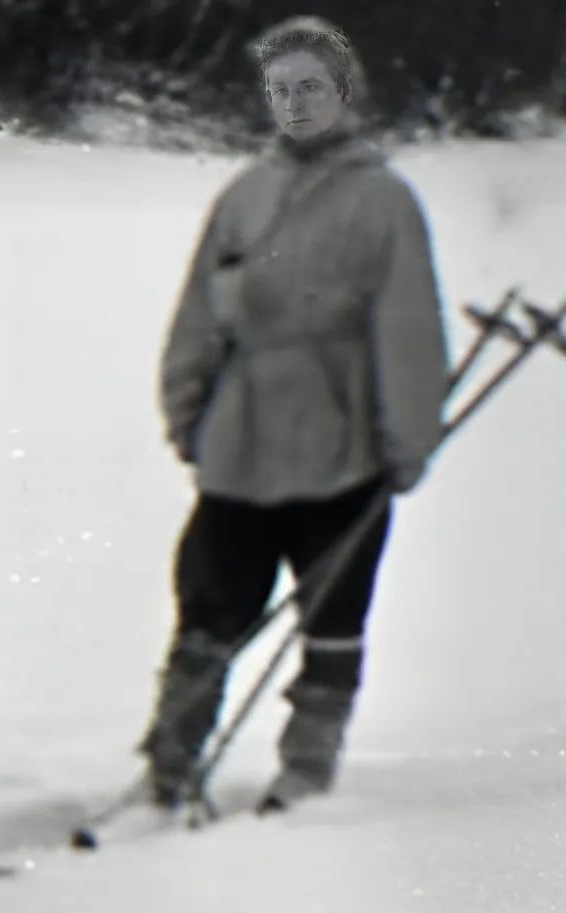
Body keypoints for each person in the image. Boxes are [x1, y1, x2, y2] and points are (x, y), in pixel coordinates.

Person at [140, 18, 449, 815]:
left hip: (340, 439)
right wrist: (187, 411)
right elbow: (198, 316)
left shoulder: (383, 200)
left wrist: (408, 439)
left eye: (311, 87)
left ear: (346, 92)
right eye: (280, 90)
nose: (295, 103)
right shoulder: (244, 194)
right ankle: (171, 758)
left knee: (332, 607)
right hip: (241, 438)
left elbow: (409, 330)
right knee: (209, 600)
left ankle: (307, 766)